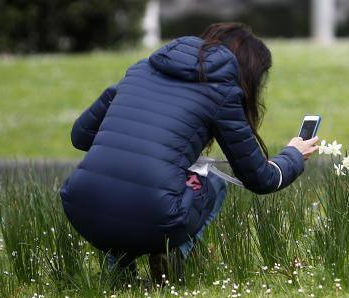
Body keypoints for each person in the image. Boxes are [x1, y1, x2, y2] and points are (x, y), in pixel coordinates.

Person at [60, 23, 319, 283]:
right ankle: (171, 255)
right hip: (155, 215)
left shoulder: (138, 71)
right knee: (214, 184)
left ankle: (119, 272)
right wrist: (293, 154)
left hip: (81, 206)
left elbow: (80, 136)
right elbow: (262, 179)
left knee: (126, 182)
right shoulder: (222, 91)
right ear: (247, 72)